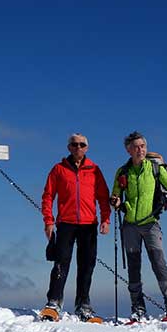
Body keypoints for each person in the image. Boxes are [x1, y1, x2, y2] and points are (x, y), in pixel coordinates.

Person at [110, 131, 167, 320]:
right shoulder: (123, 172)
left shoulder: (155, 169)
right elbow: (115, 193)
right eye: (136, 147)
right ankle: (138, 308)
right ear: (128, 150)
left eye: (143, 146)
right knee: (133, 267)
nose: (140, 150)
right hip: (130, 224)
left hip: (151, 223)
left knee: (158, 263)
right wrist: (114, 201)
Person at [41, 133, 111, 320]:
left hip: (89, 225)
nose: (78, 147)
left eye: (82, 144)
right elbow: (48, 195)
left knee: (87, 265)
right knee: (61, 263)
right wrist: (48, 221)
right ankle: (53, 303)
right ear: (69, 147)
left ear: (87, 148)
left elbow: (103, 197)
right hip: (65, 223)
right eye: (74, 144)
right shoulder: (58, 169)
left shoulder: (94, 170)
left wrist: (106, 219)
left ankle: (83, 305)